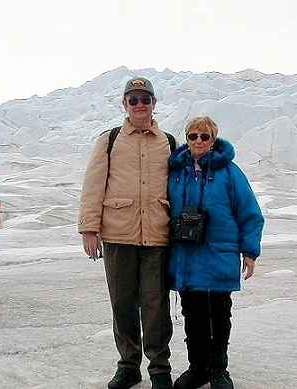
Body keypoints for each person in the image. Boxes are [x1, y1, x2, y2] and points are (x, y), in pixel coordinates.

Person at [78, 77, 174, 389]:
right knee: (122, 303)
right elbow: (93, 185)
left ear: (154, 104)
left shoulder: (168, 142)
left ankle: (159, 368)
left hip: (157, 237)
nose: (139, 105)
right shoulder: (110, 140)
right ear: (125, 104)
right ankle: (129, 365)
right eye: (133, 100)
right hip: (118, 236)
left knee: (156, 305)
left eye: (145, 99)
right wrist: (89, 228)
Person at [167, 116, 265, 389]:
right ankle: (197, 369)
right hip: (187, 255)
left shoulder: (230, 173)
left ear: (213, 139)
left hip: (219, 253)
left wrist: (250, 251)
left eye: (204, 136)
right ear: (186, 139)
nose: (198, 141)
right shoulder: (176, 173)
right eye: (193, 136)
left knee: (219, 313)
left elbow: (250, 213)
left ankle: (219, 370)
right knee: (193, 314)